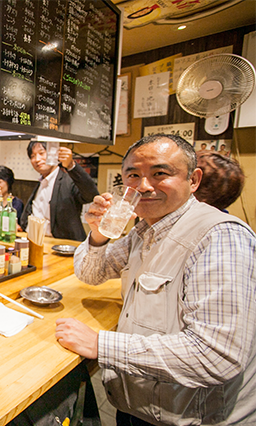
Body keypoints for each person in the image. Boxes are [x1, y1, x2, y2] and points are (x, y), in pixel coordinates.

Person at [55, 134, 256, 425]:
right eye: (133, 175)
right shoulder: (145, 231)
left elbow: (217, 355)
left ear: (194, 180)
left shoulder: (220, 236)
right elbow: (91, 273)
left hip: (195, 418)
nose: (144, 186)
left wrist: (102, 344)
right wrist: (98, 234)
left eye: (160, 174)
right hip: (142, 405)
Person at [20, 141, 99, 241]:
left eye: (41, 153)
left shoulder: (68, 181)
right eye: (32, 156)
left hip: (62, 246)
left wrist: (71, 165)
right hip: (34, 241)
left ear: (53, 154)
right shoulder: (40, 183)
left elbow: (91, 194)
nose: (37, 159)